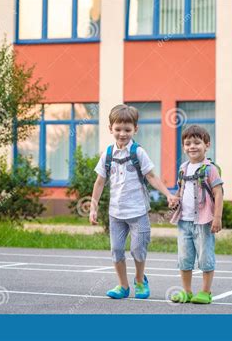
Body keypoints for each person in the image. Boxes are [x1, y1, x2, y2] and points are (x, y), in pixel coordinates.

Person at [89, 104, 179, 299]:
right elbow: (99, 182)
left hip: (138, 211)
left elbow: (152, 177)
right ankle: (123, 286)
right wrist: (93, 207)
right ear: (110, 129)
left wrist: (169, 194)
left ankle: (140, 280)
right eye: (118, 129)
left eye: (127, 130)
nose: (122, 134)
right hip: (116, 213)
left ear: (135, 129)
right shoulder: (108, 154)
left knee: (138, 249)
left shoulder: (138, 152)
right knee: (116, 250)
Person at [169, 125, 224, 304]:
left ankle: (205, 292)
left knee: (205, 257)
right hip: (184, 221)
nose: (192, 146)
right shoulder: (183, 168)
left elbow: (218, 193)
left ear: (207, 145)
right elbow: (180, 190)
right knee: (184, 258)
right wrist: (175, 199)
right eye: (188, 143)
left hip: (204, 221)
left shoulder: (210, 169)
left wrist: (217, 217)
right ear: (183, 147)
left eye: (197, 142)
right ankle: (187, 291)